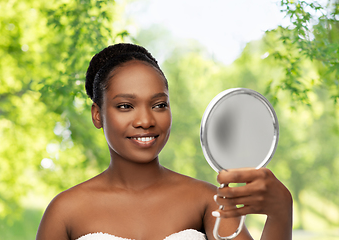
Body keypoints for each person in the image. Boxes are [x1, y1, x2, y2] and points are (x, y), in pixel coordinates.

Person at [36, 43, 293, 240]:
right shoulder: (65, 212)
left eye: (159, 105)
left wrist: (281, 212)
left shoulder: (207, 200)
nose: (146, 120)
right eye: (126, 106)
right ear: (97, 114)